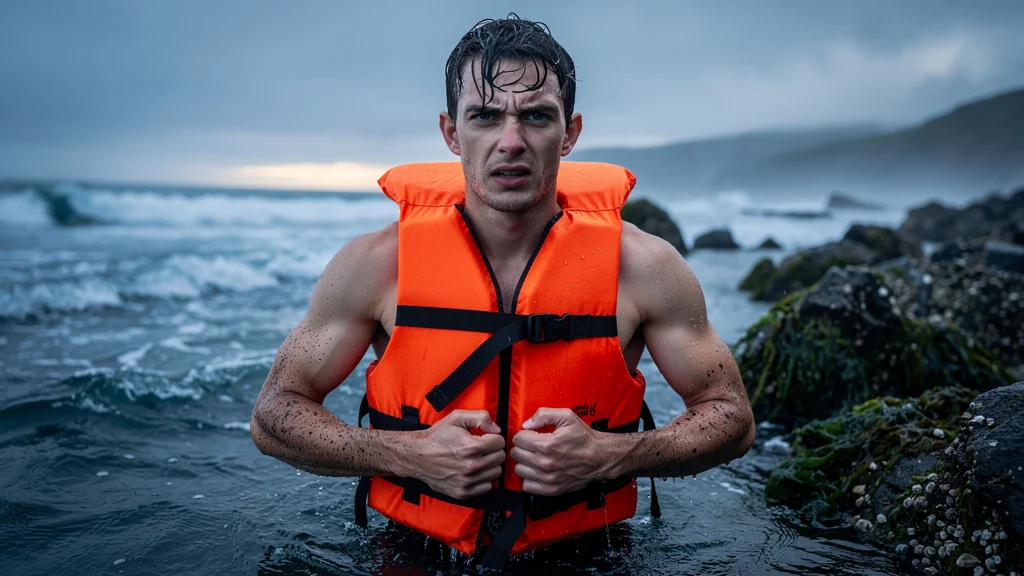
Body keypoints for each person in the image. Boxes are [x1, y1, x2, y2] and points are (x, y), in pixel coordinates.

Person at [250, 13, 755, 571]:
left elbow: (732, 418)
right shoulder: (374, 267)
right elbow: (274, 414)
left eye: (536, 116)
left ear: (570, 133)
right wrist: (405, 452)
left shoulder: (644, 268)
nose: (510, 141)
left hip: (590, 556)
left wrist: (610, 455)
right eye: (485, 116)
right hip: (412, 553)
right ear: (450, 132)